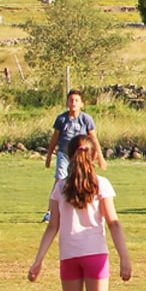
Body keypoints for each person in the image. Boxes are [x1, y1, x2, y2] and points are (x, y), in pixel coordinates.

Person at [28, 136, 134, 291]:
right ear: (93, 155)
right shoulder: (101, 184)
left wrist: (38, 260)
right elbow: (113, 222)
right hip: (95, 254)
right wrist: (124, 257)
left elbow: (52, 227)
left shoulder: (61, 187)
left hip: (69, 256)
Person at [44, 90, 102, 222]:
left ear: (82, 103)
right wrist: (48, 156)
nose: (73, 102)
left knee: (84, 178)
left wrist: (99, 156)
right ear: (67, 103)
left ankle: (86, 205)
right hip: (64, 154)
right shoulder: (62, 119)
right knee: (60, 180)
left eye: (76, 100)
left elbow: (94, 139)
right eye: (71, 100)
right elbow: (55, 139)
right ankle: (50, 212)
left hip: (81, 155)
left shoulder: (86, 119)